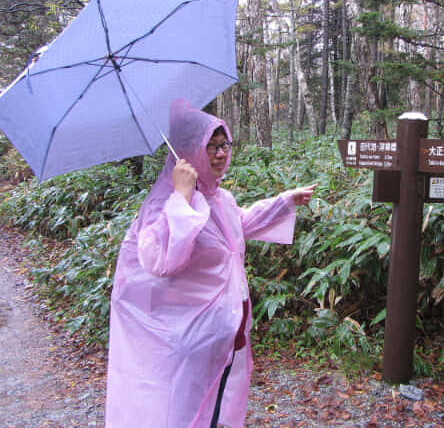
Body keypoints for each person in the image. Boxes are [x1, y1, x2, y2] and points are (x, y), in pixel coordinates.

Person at [105, 98, 316, 428]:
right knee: (181, 414)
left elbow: (239, 225)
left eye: (224, 145)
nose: (220, 154)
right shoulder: (165, 201)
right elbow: (160, 259)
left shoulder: (216, 195)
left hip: (220, 335)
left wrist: (284, 201)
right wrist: (181, 197)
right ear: (188, 150)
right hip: (183, 343)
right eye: (211, 146)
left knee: (212, 411)